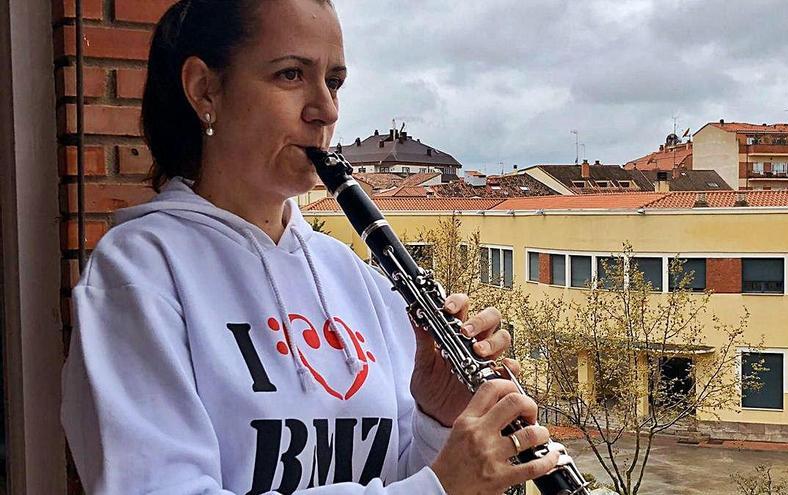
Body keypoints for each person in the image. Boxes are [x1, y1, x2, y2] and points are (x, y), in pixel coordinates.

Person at [60, 1, 560, 494]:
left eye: (334, 82)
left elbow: (393, 477)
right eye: (291, 75)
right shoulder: (139, 273)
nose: (326, 110)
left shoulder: (354, 275)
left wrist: (436, 418)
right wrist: (438, 489)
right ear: (204, 89)